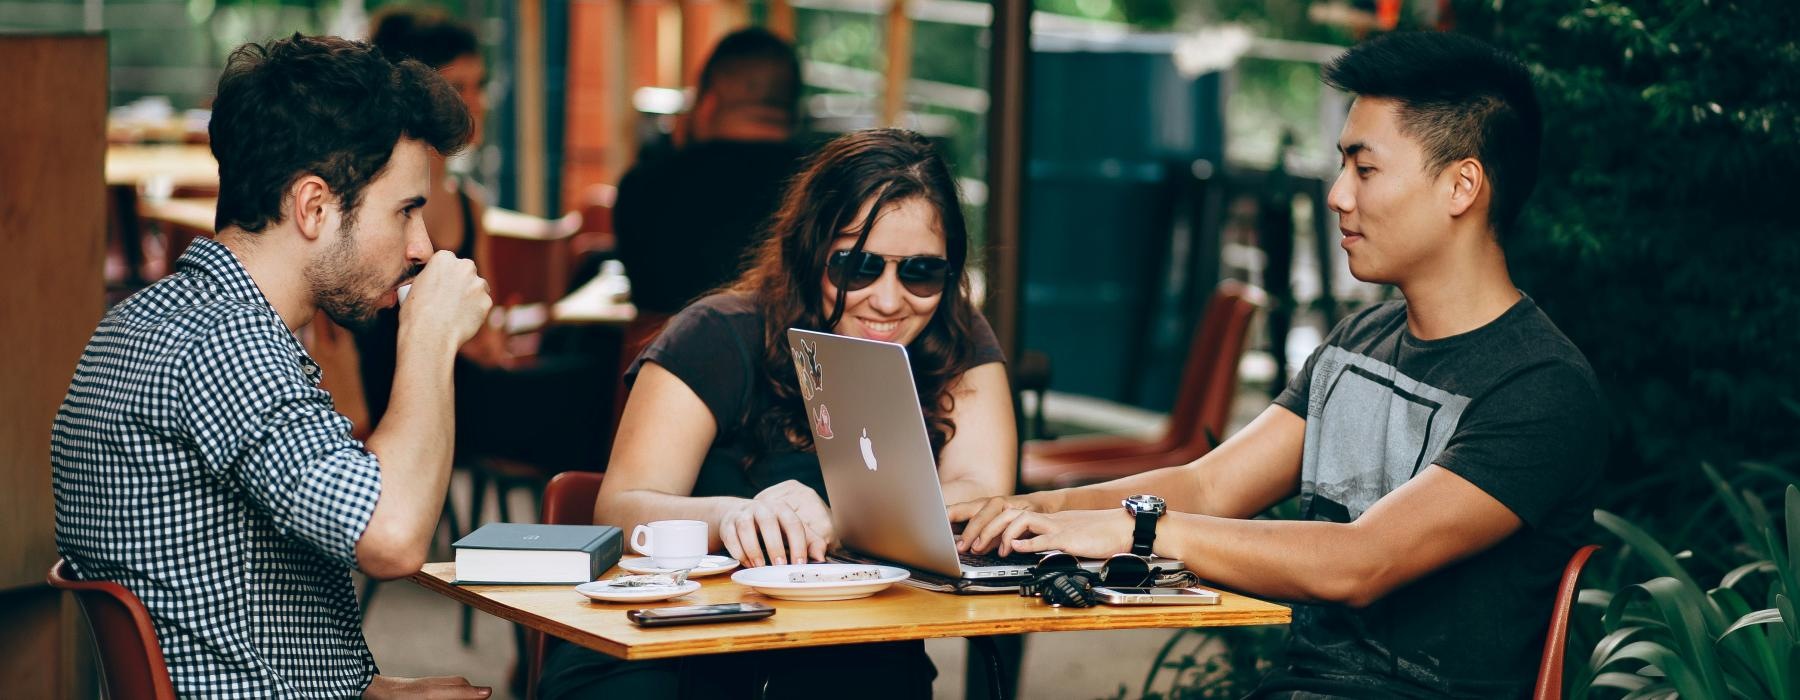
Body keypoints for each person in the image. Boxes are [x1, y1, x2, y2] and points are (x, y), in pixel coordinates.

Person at [953, 32, 1606, 699]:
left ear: (1462, 185)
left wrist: (1136, 530)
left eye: (1365, 168)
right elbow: (1209, 488)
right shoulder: (1360, 341)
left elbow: (1362, 561)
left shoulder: (1541, 388)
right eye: (1341, 165)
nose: (1337, 195)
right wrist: (1027, 510)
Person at [52, 34, 494, 698]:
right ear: (313, 207)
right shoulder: (225, 342)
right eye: (405, 210)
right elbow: (393, 537)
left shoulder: (153, 320)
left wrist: (372, 693)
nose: (422, 247)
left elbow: (217, 610)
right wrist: (429, 335)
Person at [537, 128, 1017, 699]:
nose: (889, 300)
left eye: (921, 272)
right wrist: (736, 517)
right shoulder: (716, 333)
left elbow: (983, 495)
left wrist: (842, 520)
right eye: (857, 267)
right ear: (810, 250)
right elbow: (618, 512)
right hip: (672, 651)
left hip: (853, 657)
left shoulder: (955, 336)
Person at [612, 26, 810, 315]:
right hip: (786, 358)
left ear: (708, 102)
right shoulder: (823, 187)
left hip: (664, 356)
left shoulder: (643, 185)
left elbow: (644, 296)